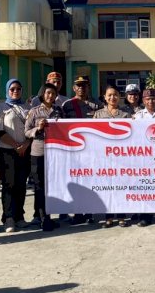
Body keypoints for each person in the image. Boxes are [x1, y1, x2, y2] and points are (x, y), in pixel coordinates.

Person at [62, 75, 102, 226]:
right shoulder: (67, 105)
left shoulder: (97, 105)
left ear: (88, 87)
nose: (81, 88)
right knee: (77, 181)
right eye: (78, 85)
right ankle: (78, 213)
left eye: (84, 85)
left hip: (92, 150)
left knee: (91, 181)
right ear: (74, 88)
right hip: (74, 149)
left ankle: (91, 212)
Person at [0, 79, 32, 233]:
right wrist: (16, 145)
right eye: (12, 89)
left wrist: (25, 145)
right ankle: (8, 217)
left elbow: (32, 129)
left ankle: (19, 216)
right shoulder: (1, 108)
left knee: (21, 185)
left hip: (25, 150)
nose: (15, 91)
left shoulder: (27, 107)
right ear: (7, 91)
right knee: (9, 185)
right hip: (8, 151)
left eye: (18, 88)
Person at [25, 83, 63, 231]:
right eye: (48, 93)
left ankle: (49, 215)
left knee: (52, 187)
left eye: (53, 93)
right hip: (38, 153)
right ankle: (42, 218)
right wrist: (37, 128)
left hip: (55, 154)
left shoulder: (59, 111)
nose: (50, 96)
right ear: (42, 94)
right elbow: (26, 132)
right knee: (39, 186)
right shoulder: (34, 112)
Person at [94, 86, 132, 227]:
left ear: (120, 97)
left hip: (121, 158)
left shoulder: (126, 114)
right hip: (104, 158)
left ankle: (121, 216)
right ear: (104, 97)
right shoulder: (98, 114)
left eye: (115, 95)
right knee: (107, 188)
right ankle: (108, 216)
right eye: (109, 95)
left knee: (121, 187)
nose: (112, 98)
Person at [132, 88, 155, 226]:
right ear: (143, 101)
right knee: (145, 188)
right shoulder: (138, 116)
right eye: (148, 99)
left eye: (153, 98)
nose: (151, 101)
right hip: (144, 158)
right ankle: (145, 216)